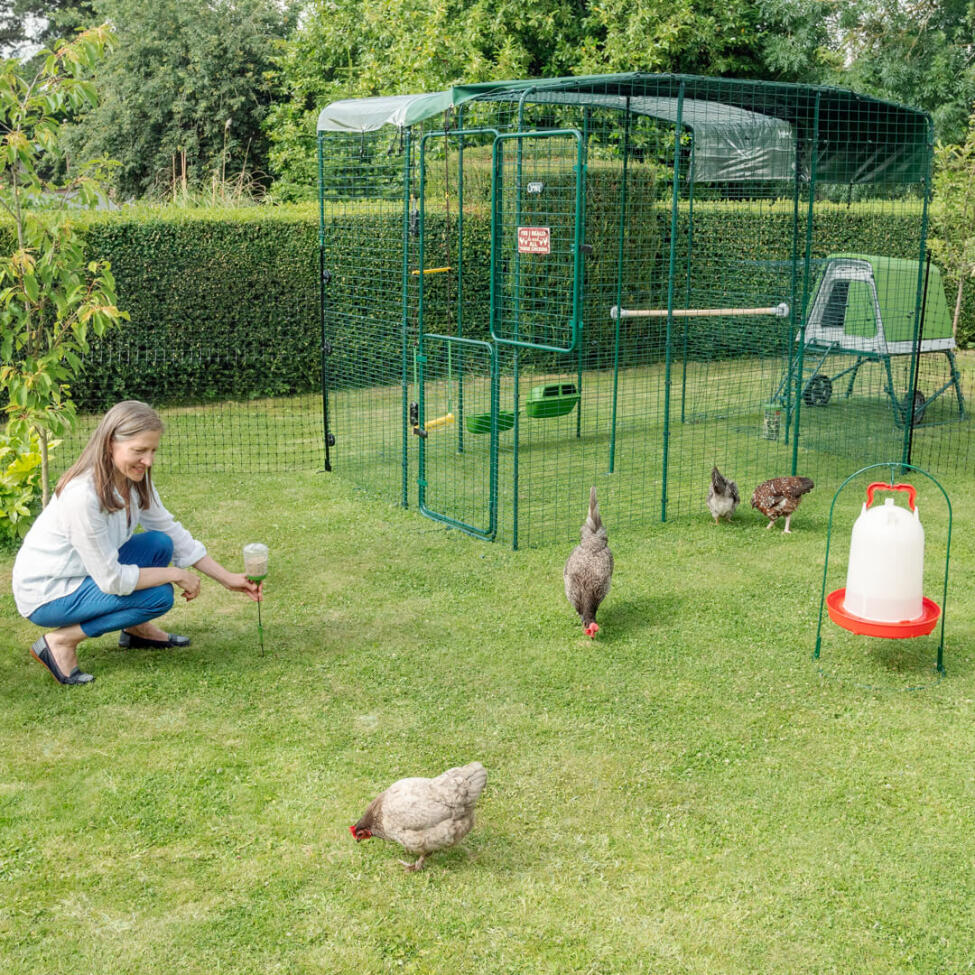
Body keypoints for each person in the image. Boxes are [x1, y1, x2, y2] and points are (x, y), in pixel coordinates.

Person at [12, 400, 262, 685]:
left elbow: (170, 530)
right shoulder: (82, 496)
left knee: (160, 543)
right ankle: (60, 641)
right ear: (110, 445)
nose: (149, 461)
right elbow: (112, 581)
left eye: (153, 450)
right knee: (158, 596)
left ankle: (136, 629)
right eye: (139, 451)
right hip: (48, 590)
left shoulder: (133, 478)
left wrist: (227, 578)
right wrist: (175, 574)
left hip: (85, 572)